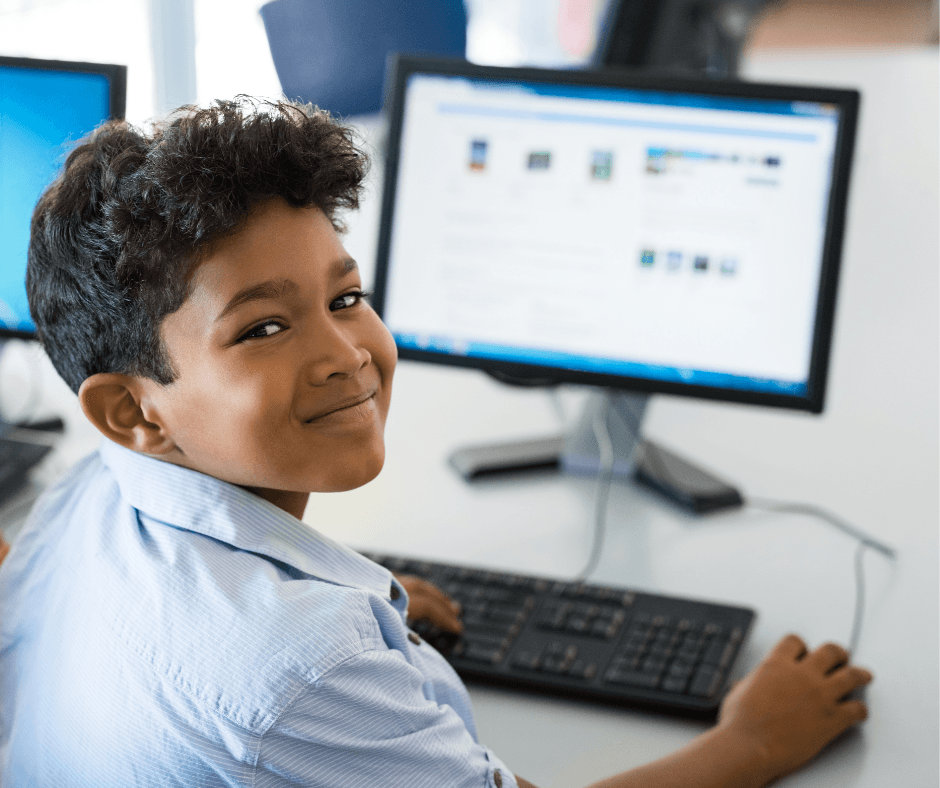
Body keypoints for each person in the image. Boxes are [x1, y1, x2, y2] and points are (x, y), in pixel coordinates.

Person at [0, 98, 871, 787]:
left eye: (345, 298)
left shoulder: (89, 491)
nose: (347, 356)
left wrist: (354, 599)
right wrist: (755, 743)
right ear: (132, 412)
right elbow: (275, 676)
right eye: (263, 328)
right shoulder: (305, 667)